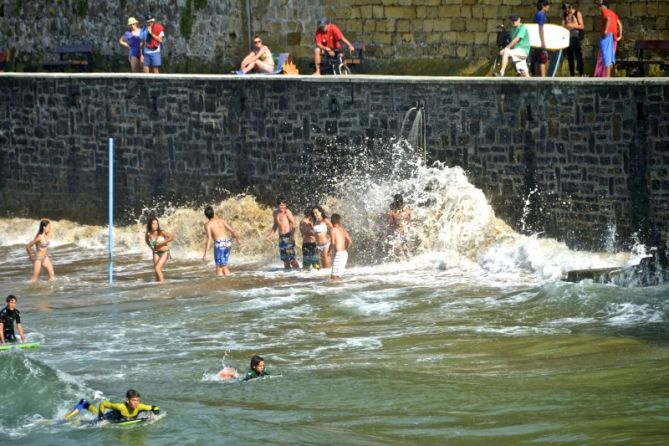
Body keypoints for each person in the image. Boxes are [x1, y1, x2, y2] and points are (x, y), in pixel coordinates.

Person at [66, 389, 159, 422]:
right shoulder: (120, 406)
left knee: (95, 413)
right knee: (93, 420)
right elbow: (103, 404)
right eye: (133, 400)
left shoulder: (140, 406)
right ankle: (68, 417)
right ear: (127, 400)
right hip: (110, 416)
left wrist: (154, 415)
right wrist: (101, 419)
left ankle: (85, 404)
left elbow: (155, 407)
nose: (136, 403)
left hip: (119, 418)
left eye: (138, 400)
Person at [202, 205, 242, 276]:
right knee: (224, 265)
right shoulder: (222, 220)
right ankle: (229, 280)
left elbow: (209, 238)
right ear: (213, 213)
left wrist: (206, 253)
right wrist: (238, 239)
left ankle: (220, 284)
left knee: (219, 267)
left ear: (206, 215)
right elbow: (233, 231)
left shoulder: (208, 225)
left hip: (219, 245)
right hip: (227, 243)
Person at [266, 198, 300, 270]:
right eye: (281, 205)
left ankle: (299, 272)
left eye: (284, 205)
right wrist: (271, 234)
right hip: (281, 238)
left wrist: (292, 235)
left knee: (291, 259)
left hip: (288, 237)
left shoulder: (287, 212)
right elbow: (275, 225)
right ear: (278, 205)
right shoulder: (275, 213)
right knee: (285, 260)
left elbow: (293, 224)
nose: (283, 207)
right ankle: (288, 276)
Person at [594, 0, 622, 78]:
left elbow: (608, 20)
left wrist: (605, 31)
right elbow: (619, 23)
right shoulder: (613, 13)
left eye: (600, 5)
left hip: (606, 35)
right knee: (611, 57)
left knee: (606, 56)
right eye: (599, 5)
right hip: (613, 36)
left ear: (605, 6)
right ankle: (610, 76)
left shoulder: (605, 11)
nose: (599, 7)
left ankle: (607, 77)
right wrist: (620, 35)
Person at [145, 216, 174, 282]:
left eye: (157, 224)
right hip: (156, 253)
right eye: (153, 223)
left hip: (165, 252)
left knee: (157, 269)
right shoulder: (148, 234)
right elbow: (147, 241)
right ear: (150, 225)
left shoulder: (161, 232)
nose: (155, 225)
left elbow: (172, 237)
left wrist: (162, 242)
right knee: (156, 271)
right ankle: (157, 285)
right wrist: (151, 248)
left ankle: (162, 285)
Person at [386, 194, 412, 259]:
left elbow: (409, 218)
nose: (399, 204)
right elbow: (389, 222)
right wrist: (391, 215)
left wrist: (398, 215)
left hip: (404, 229)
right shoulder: (391, 209)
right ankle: (401, 261)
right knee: (398, 247)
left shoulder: (406, 207)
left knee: (404, 247)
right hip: (396, 230)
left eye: (400, 203)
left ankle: (408, 260)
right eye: (397, 203)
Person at [562, 3, 585, 76]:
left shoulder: (577, 13)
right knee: (570, 56)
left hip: (576, 36)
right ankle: (572, 73)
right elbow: (562, 26)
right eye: (565, 10)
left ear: (570, 7)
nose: (566, 11)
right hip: (568, 36)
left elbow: (581, 26)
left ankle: (581, 72)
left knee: (578, 55)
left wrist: (571, 25)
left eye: (567, 9)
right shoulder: (565, 14)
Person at [531, 0, 551, 78]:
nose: (549, 7)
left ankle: (537, 78)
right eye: (548, 5)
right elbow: (540, 28)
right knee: (542, 59)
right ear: (543, 6)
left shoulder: (537, 14)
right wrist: (543, 42)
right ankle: (543, 79)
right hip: (540, 41)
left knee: (538, 59)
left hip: (537, 40)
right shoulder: (541, 15)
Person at [329, 214, 352, 280]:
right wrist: (346, 248)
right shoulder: (342, 229)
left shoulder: (333, 230)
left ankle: (336, 290)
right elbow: (350, 241)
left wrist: (329, 251)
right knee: (339, 276)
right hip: (345, 254)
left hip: (339, 254)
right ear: (339, 221)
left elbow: (332, 242)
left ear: (331, 221)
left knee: (333, 276)